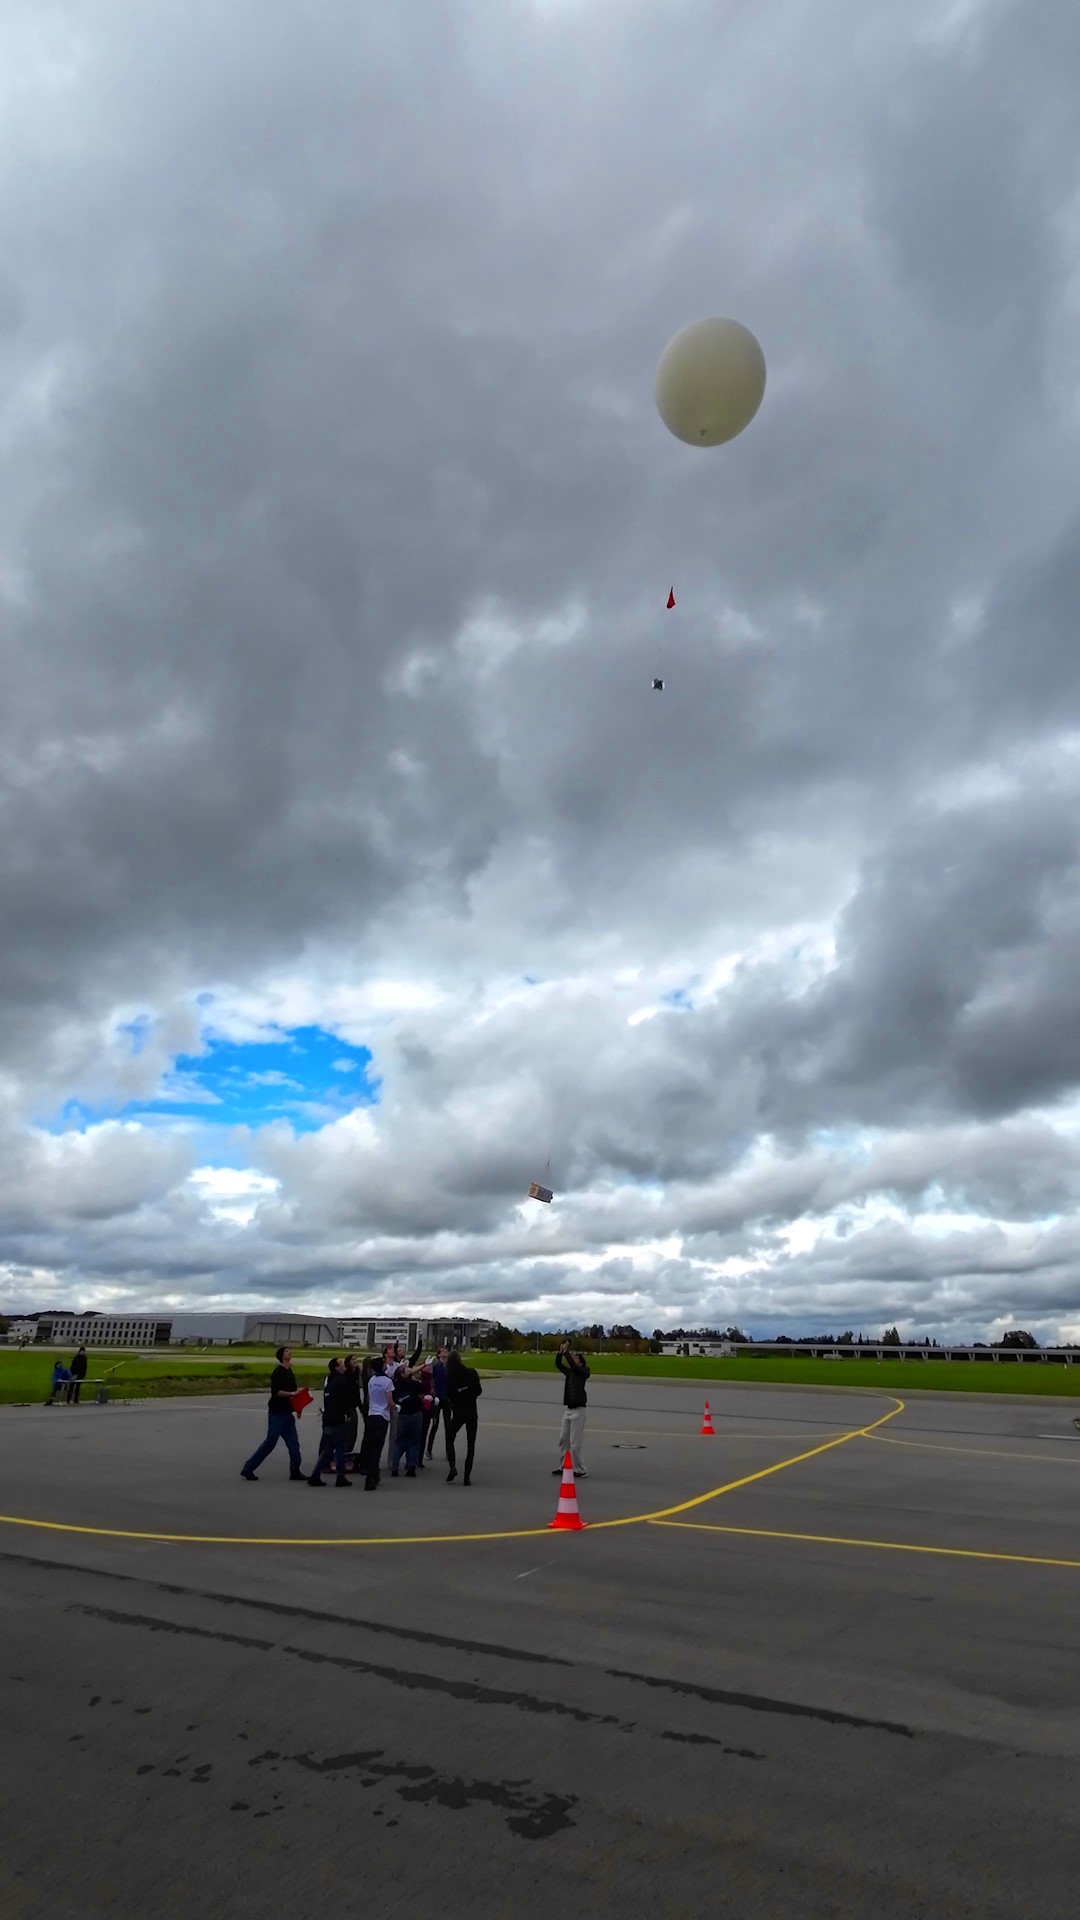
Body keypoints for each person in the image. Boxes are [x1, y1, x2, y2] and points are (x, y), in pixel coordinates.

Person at [241, 1347, 304, 1481]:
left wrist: (298, 1407)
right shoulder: (278, 1372)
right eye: (287, 1351)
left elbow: (294, 1392)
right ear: (282, 1356)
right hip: (277, 1413)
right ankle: (248, 1468)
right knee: (270, 1443)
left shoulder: (290, 1371)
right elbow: (276, 1392)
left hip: (288, 1413)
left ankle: (295, 1471)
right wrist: (292, 1394)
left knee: (294, 1444)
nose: (290, 1352)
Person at [308, 1359, 353, 1488]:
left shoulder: (330, 1381)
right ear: (336, 1367)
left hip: (327, 1419)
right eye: (341, 1363)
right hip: (337, 1420)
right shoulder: (341, 1381)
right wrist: (347, 1414)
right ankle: (340, 1477)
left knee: (327, 1450)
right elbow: (344, 1400)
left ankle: (315, 1475)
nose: (344, 1365)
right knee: (339, 1449)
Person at [444, 1350, 483, 1485]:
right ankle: (467, 1477)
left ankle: (453, 1466)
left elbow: (449, 1394)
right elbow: (478, 1391)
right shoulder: (471, 1373)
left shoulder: (451, 1377)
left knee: (450, 1437)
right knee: (470, 1444)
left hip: (458, 1412)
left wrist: (458, 1397)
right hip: (471, 1411)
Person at [554, 1340, 590, 1478]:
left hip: (579, 1411)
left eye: (576, 1358)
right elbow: (558, 1364)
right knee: (564, 1440)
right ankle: (563, 1466)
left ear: (581, 1362)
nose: (573, 1360)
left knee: (575, 1444)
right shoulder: (570, 1373)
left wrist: (566, 1352)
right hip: (568, 1410)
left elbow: (574, 1368)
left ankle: (581, 1469)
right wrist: (560, 1353)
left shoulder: (584, 1372)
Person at [360, 1356, 393, 1490]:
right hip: (382, 1416)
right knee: (377, 1449)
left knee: (371, 1444)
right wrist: (395, 1407)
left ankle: (374, 1473)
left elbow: (369, 1398)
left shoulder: (371, 1380)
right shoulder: (387, 1381)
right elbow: (390, 1402)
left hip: (372, 1414)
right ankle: (370, 1477)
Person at [391, 1365, 425, 1477]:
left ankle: (394, 1467)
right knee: (414, 1442)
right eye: (406, 1369)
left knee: (400, 1441)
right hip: (415, 1414)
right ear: (402, 1374)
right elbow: (422, 1395)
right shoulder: (414, 1384)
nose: (409, 1369)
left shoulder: (394, 1385)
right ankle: (411, 1467)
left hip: (403, 1415)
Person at [426, 1344, 451, 1461]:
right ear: (439, 1354)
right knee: (435, 1425)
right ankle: (429, 1450)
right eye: (442, 1351)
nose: (445, 1352)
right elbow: (431, 1381)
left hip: (447, 1399)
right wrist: (433, 1394)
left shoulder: (450, 1367)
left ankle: (448, 1452)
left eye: (446, 1350)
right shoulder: (436, 1367)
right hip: (437, 1399)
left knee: (448, 1426)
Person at [342, 1355, 362, 1472]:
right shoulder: (346, 1376)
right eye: (353, 1360)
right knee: (348, 1434)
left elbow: (356, 1394)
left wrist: (360, 1407)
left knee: (353, 1434)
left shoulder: (355, 1374)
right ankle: (343, 1456)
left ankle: (346, 1455)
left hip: (353, 1407)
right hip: (347, 1408)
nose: (355, 1361)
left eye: (356, 1359)